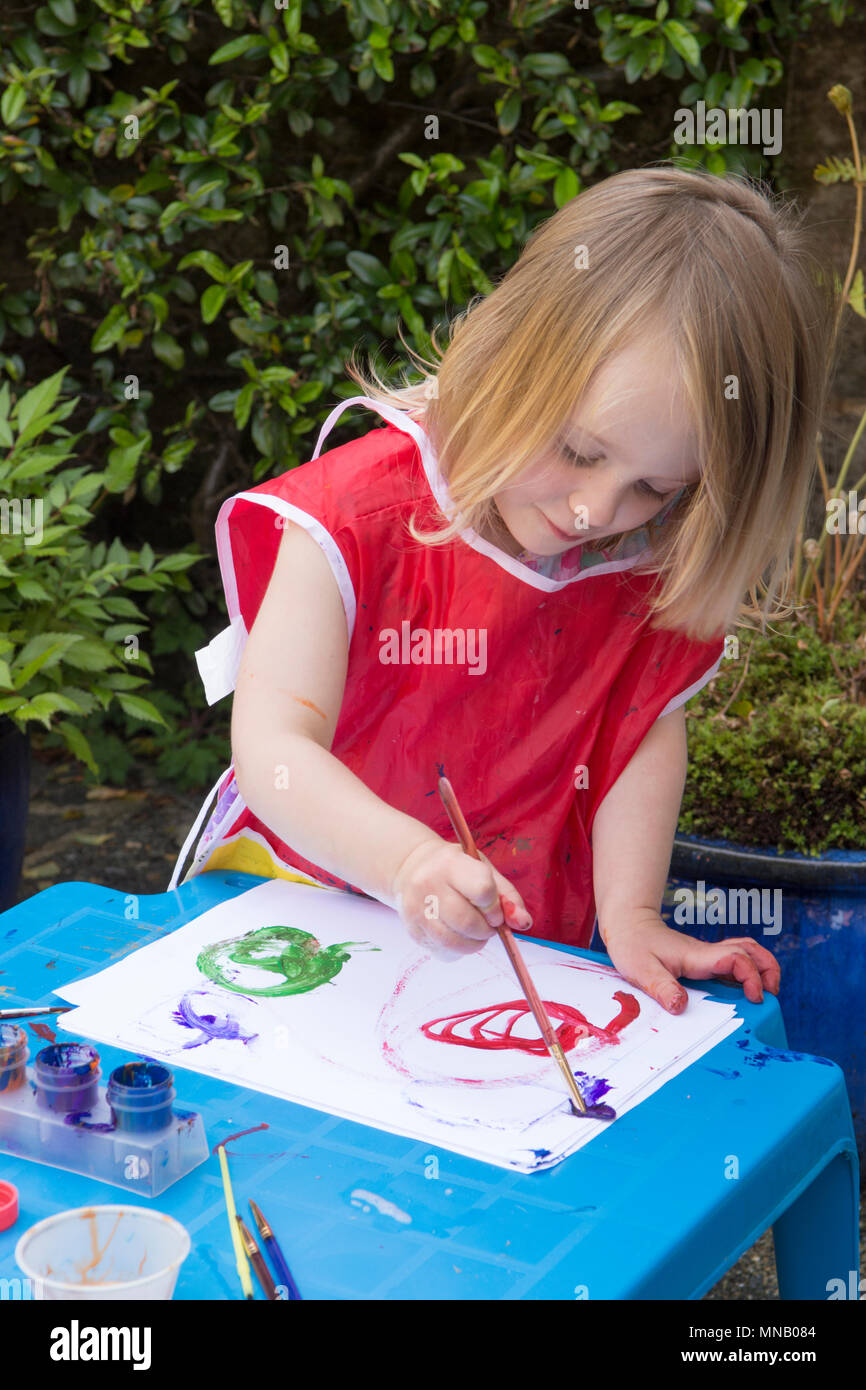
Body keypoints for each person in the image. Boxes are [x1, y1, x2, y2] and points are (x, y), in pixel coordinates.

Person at [172, 165, 836, 1014]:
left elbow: (638, 735)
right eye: (580, 451)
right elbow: (272, 750)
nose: (598, 509)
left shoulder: (642, 560)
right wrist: (407, 865)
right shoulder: (356, 517)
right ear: (512, 360)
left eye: (655, 486)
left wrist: (630, 915)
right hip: (293, 921)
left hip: (512, 953)